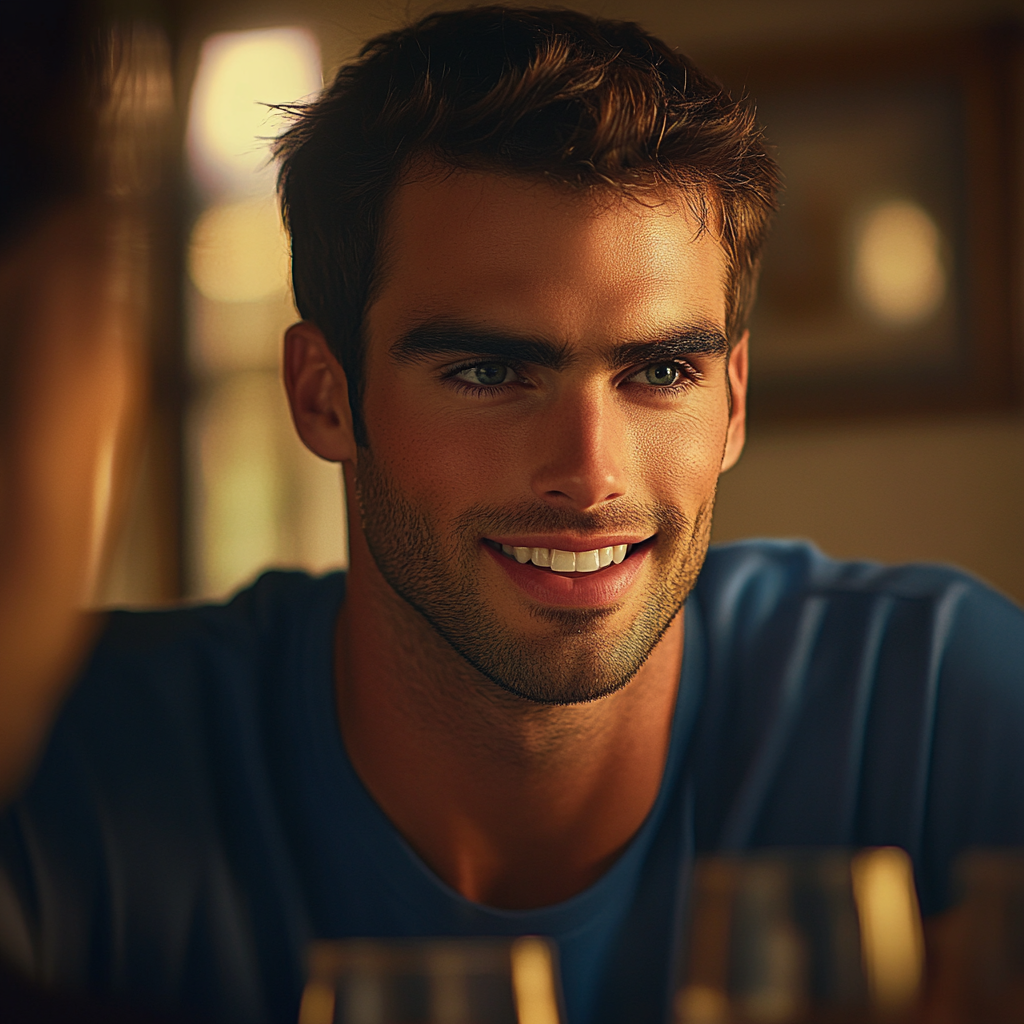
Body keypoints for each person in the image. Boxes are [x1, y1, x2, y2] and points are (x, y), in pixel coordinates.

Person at [1, 6, 1022, 1024]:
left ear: (735, 401)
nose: (589, 474)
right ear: (322, 395)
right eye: (489, 371)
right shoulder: (69, 754)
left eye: (661, 370)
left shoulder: (942, 703)